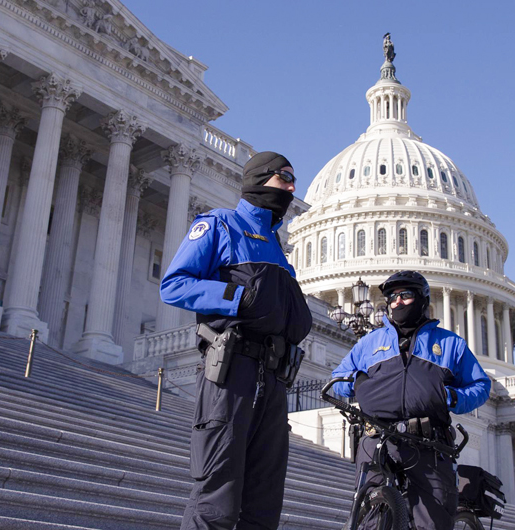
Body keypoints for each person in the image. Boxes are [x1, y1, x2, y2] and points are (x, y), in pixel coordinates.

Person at [160, 151, 313, 530]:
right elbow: (174, 285)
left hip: (274, 382)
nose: (292, 188)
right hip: (232, 374)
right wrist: (235, 297)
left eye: (294, 180)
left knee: (264, 503)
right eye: (284, 177)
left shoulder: (278, 246)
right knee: (217, 498)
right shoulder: (219, 224)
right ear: (259, 179)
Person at [331, 271, 491, 530]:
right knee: (372, 518)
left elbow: (481, 386)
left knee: (433, 521)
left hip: (428, 443)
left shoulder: (450, 344)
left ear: (422, 299)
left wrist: (452, 397)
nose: (397, 302)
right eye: (392, 297)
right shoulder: (370, 342)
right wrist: (357, 383)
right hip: (378, 437)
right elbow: (338, 377)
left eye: (405, 295)